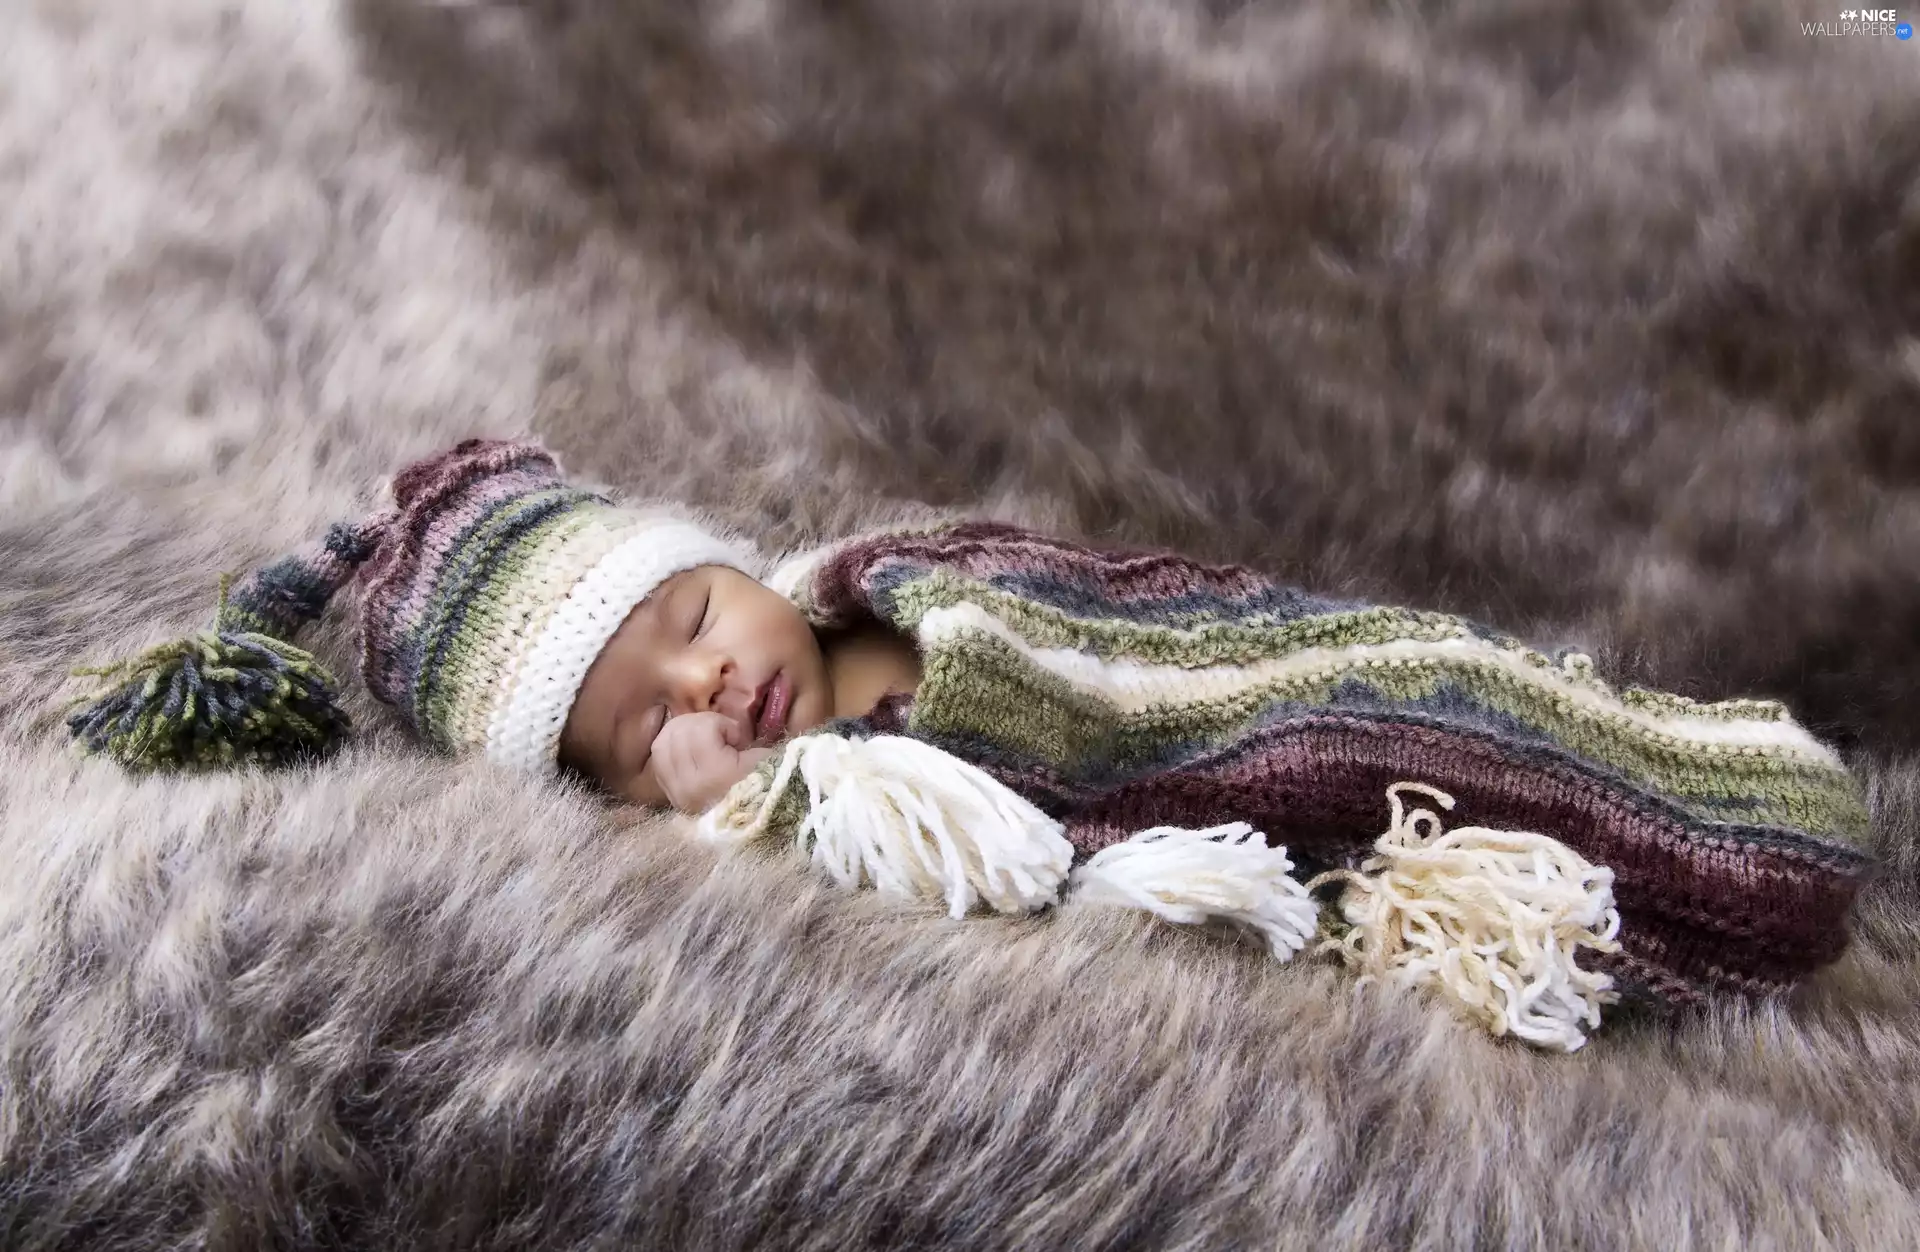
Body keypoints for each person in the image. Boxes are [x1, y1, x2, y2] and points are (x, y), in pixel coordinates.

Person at [63, 437, 1876, 1053]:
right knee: (1445, 827)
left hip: (1255, 684)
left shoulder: (889, 582)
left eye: (692, 626)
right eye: (638, 733)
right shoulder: (792, 809)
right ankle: (1659, 851)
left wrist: (994, 656)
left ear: (725, 566)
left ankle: (1636, 751)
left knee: (1411, 688)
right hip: (1261, 822)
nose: (706, 695)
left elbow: (1180, 629)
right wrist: (753, 810)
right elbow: (928, 879)